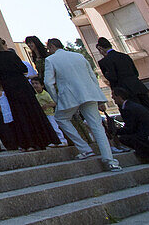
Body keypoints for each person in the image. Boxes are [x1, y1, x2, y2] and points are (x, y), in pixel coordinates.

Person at [42, 38, 118, 170]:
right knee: (97, 126)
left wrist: (57, 98)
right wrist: (99, 97)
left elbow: (49, 82)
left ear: (53, 46)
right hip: (88, 93)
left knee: (61, 118)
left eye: (49, 49)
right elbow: (92, 76)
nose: (49, 52)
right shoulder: (79, 56)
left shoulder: (51, 60)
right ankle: (109, 160)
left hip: (69, 96)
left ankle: (84, 148)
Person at [0, 37, 58, 150]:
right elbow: (24, 69)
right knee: (33, 112)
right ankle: (44, 140)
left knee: (20, 115)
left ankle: (27, 144)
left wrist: (4, 77)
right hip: (23, 86)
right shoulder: (12, 55)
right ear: (4, 45)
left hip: (10, 89)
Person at [96, 38, 149, 113]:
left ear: (100, 48)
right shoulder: (125, 56)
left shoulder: (104, 62)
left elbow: (112, 77)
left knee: (134, 114)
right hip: (138, 87)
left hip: (123, 92)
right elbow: (136, 73)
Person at [31, 78, 66, 146]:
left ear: (42, 85)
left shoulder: (46, 94)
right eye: (33, 84)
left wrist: (47, 105)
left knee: (55, 127)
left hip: (50, 114)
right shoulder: (36, 95)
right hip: (43, 115)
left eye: (36, 83)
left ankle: (62, 140)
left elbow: (54, 103)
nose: (35, 85)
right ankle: (54, 141)